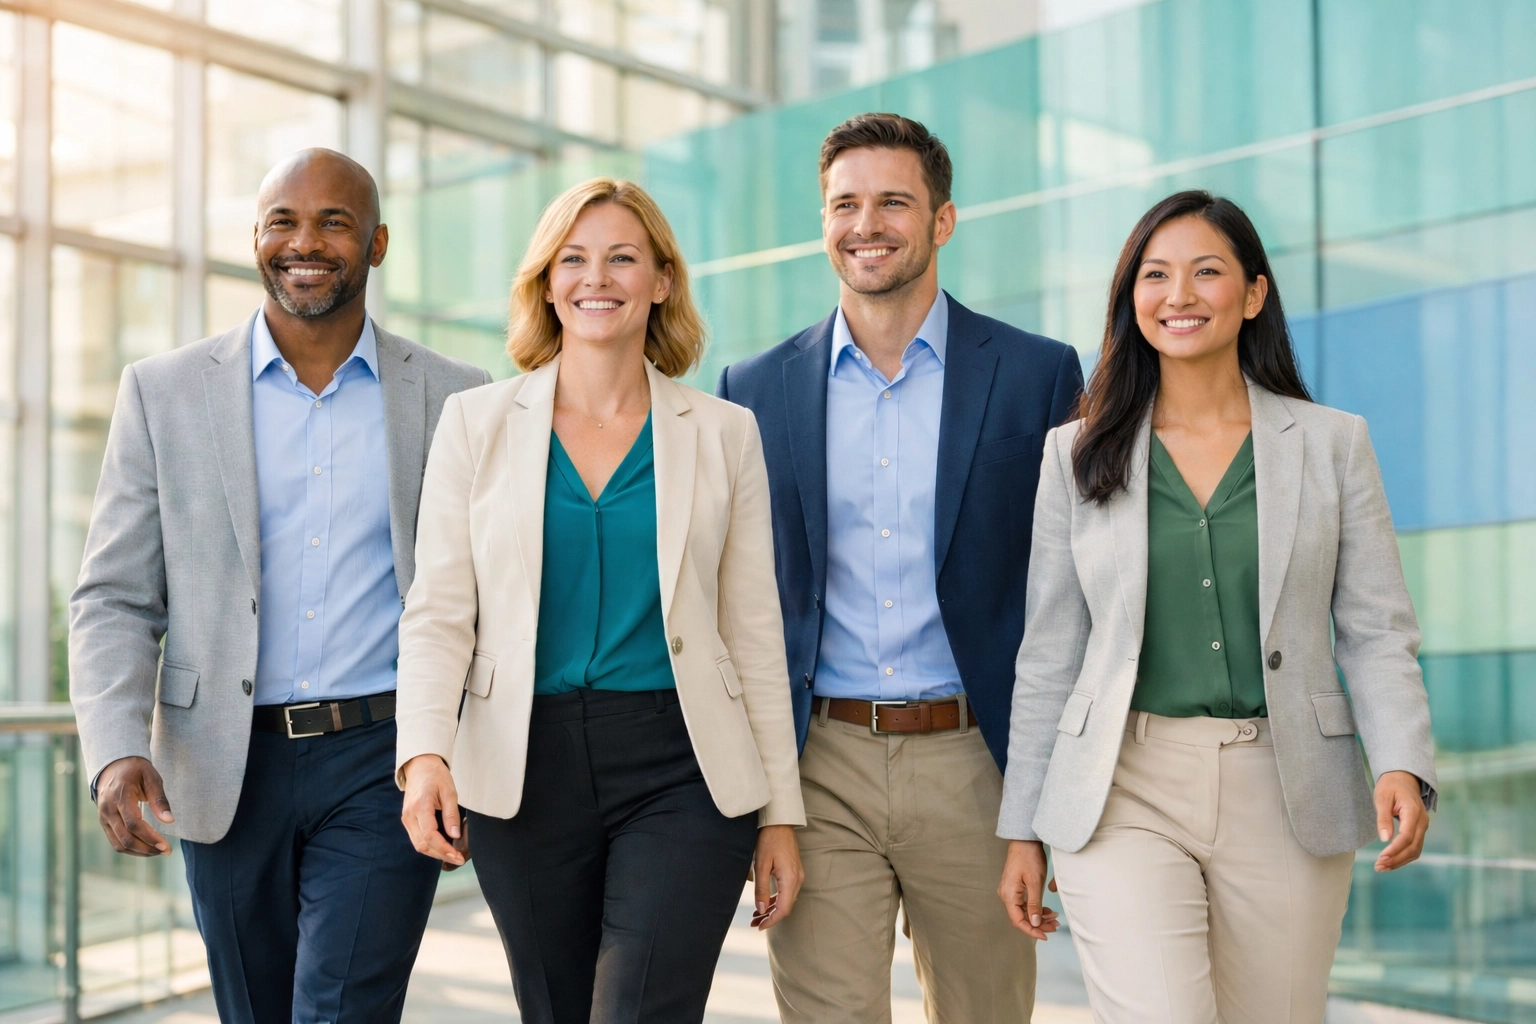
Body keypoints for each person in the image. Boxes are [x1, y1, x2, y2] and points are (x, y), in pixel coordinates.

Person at [68, 149, 491, 1024]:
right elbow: (113, 596)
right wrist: (113, 744)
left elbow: (485, 593)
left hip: (385, 760)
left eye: (334, 222)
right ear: (255, 242)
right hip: (223, 763)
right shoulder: (163, 393)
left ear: (376, 244)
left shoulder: (456, 397)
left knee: (342, 1010)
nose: (306, 242)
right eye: (282, 223)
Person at [996, 190, 1437, 1024]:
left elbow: (1377, 630)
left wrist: (1402, 762)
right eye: (1155, 275)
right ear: (1133, 299)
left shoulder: (1333, 444)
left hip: (1286, 783)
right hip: (1123, 787)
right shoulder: (1075, 454)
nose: (1180, 295)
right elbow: (1050, 652)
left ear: (1255, 294)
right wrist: (1022, 825)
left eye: (1207, 272)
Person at [394, 176, 805, 1024]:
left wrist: (780, 816)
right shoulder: (475, 423)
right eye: (573, 259)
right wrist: (425, 754)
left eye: (624, 258)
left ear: (661, 279)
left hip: (681, 763)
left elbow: (754, 634)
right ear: (547, 282)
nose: (597, 278)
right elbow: (439, 610)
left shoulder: (725, 432)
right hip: (525, 764)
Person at [717, 112, 1081, 1022]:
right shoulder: (752, 390)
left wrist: (1036, 807)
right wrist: (768, 808)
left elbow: (1069, 595)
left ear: (943, 220)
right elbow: (742, 603)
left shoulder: (1038, 375)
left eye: (893, 202)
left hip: (976, 763)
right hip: (819, 763)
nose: (865, 224)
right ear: (823, 221)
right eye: (845, 203)